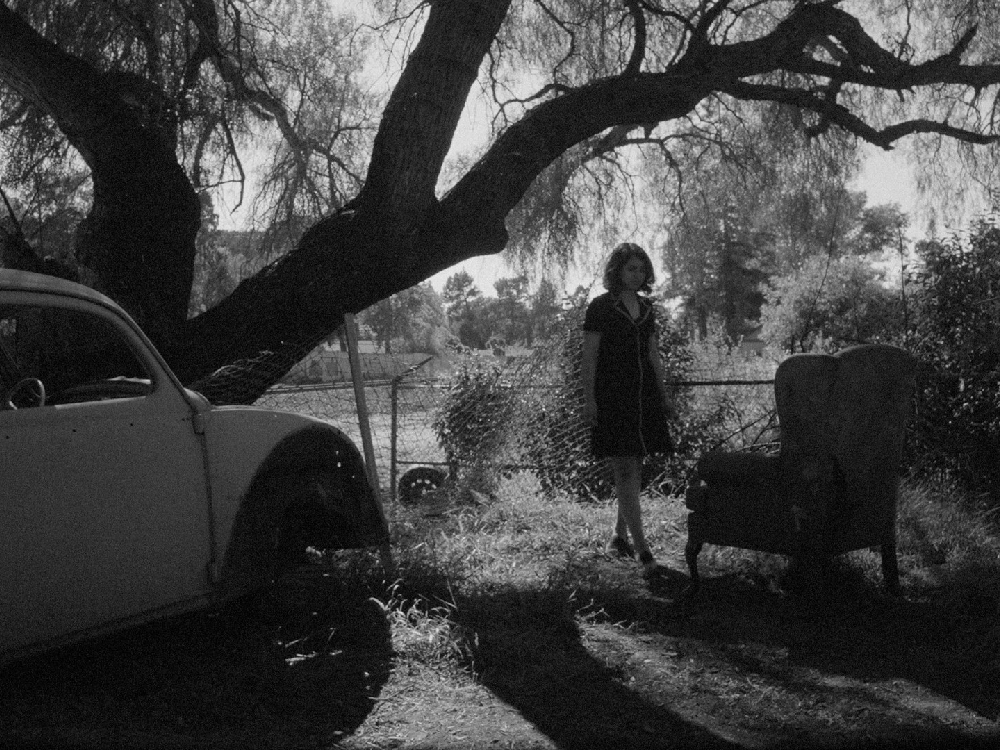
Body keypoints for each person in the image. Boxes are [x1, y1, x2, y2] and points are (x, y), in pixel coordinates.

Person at [581, 242, 675, 578]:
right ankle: (643, 550)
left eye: (641, 269)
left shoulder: (649, 308)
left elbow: (653, 355)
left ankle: (619, 537)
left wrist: (663, 395)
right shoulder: (600, 307)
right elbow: (589, 357)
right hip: (613, 396)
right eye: (630, 268)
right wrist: (589, 399)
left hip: (644, 396)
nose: (636, 275)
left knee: (635, 464)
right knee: (624, 468)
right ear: (616, 271)